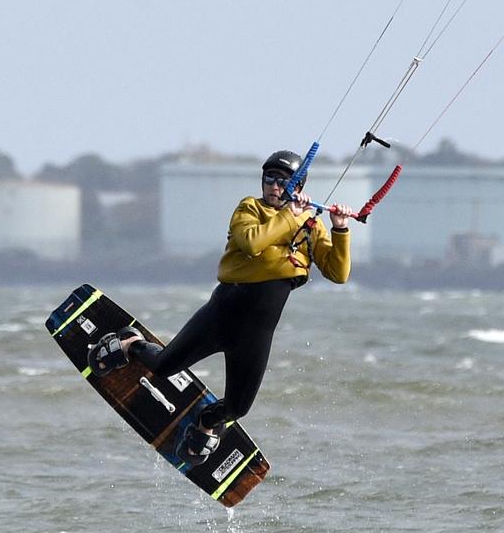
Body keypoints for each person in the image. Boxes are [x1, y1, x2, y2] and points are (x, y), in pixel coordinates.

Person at [87, 149, 353, 464]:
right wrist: (290, 216)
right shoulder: (249, 208)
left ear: (299, 186)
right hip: (222, 314)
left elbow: (338, 274)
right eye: (270, 179)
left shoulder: (310, 227)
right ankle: (131, 344)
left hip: (255, 333)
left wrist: (339, 229)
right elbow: (253, 242)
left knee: (238, 408)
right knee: (163, 368)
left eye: (283, 182)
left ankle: (206, 421)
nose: (275, 187)